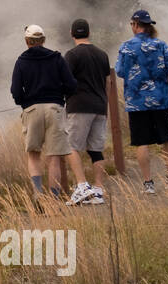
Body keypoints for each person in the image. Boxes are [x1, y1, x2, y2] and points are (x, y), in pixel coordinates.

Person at [10, 24, 77, 203]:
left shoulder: (21, 61)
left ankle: (38, 195)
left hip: (32, 109)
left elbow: (16, 91)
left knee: (33, 154)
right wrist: (60, 97)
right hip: (54, 108)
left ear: (27, 41)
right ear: (43, 40)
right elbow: (71, 85)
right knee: (54, 157)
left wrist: (24, 103)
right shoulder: (56, 58)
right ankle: (54, 200)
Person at [115, 9, 168, 194]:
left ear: (135, 25)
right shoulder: (161, 45)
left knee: (141, 142)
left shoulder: (126, 47)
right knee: (167, 138)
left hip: (137, 102)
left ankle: (148, 183)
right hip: (161, 100)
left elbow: (119, 71)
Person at [63, 18, 110, 205]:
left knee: (70, 146)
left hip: (79, 106)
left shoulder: (71, 55)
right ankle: (98, 189)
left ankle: (82, 185)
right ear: (89, 33)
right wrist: (102, 99)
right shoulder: (102, 54)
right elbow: (108, 82)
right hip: (100, 105)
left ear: (72, 33)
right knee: (96, 149)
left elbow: (66, 81)